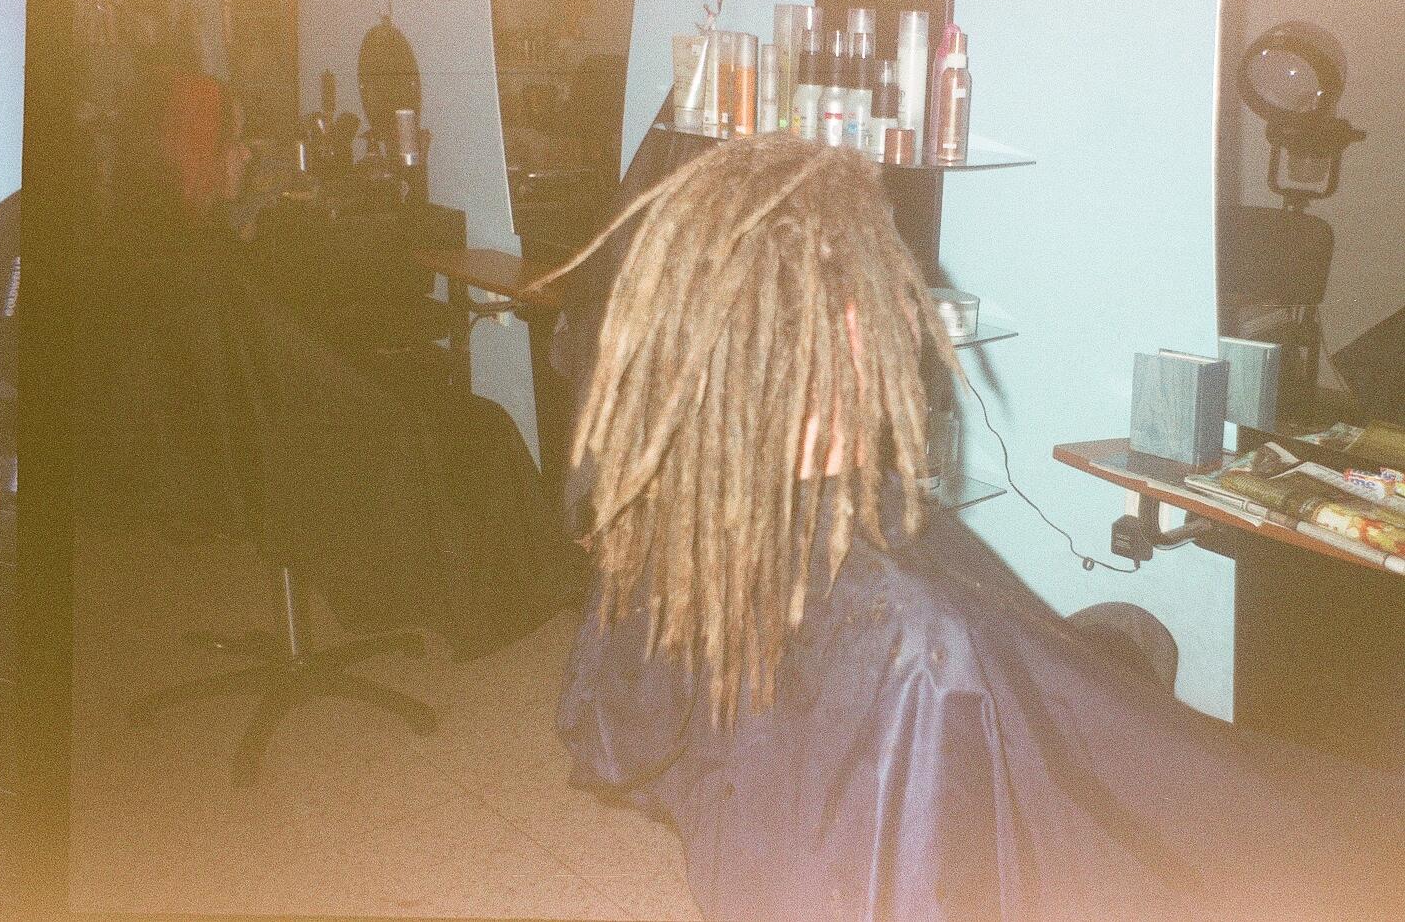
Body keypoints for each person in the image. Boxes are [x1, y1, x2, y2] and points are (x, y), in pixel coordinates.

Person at [542, 134, 1404, 921]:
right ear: (858, 329)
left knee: (1123, 645)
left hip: (754, 859)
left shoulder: (676, 519)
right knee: (1305, 819)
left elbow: (616, 732)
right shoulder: (914, 636)